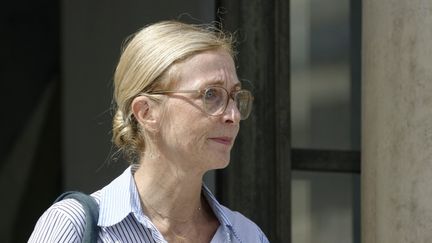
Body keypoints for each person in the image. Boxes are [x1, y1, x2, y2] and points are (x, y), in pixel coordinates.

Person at [29, 20, 269, 243]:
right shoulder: (75, 225)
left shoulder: (246, 236)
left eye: (235, 97)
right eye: (211, 94)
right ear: (146, 112)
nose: (233, 115)